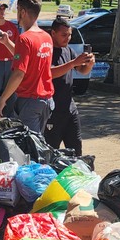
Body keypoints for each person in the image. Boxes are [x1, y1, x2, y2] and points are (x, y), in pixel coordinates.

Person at [0, 0, 53, 133]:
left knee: (31, 148)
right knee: (38, 144)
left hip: (30, 101)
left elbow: (19, 73)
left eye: (18, 10)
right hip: (46, 101)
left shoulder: (24, 38)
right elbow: (27, 59)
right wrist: (7, 42)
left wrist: (2, 100)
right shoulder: (46, 37)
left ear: (23, 12)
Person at [46, 17, 94, 155]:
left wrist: (89, 64)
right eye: (64, 35)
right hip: (52, 111)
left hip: (69, 108)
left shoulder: (67, 49)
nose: (67, 38)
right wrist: (72, 63)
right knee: (50, 152)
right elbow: (49, 73)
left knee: (76, 150)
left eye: (70, 34)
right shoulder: (47, 51)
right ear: (53, 33)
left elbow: (82, 70)